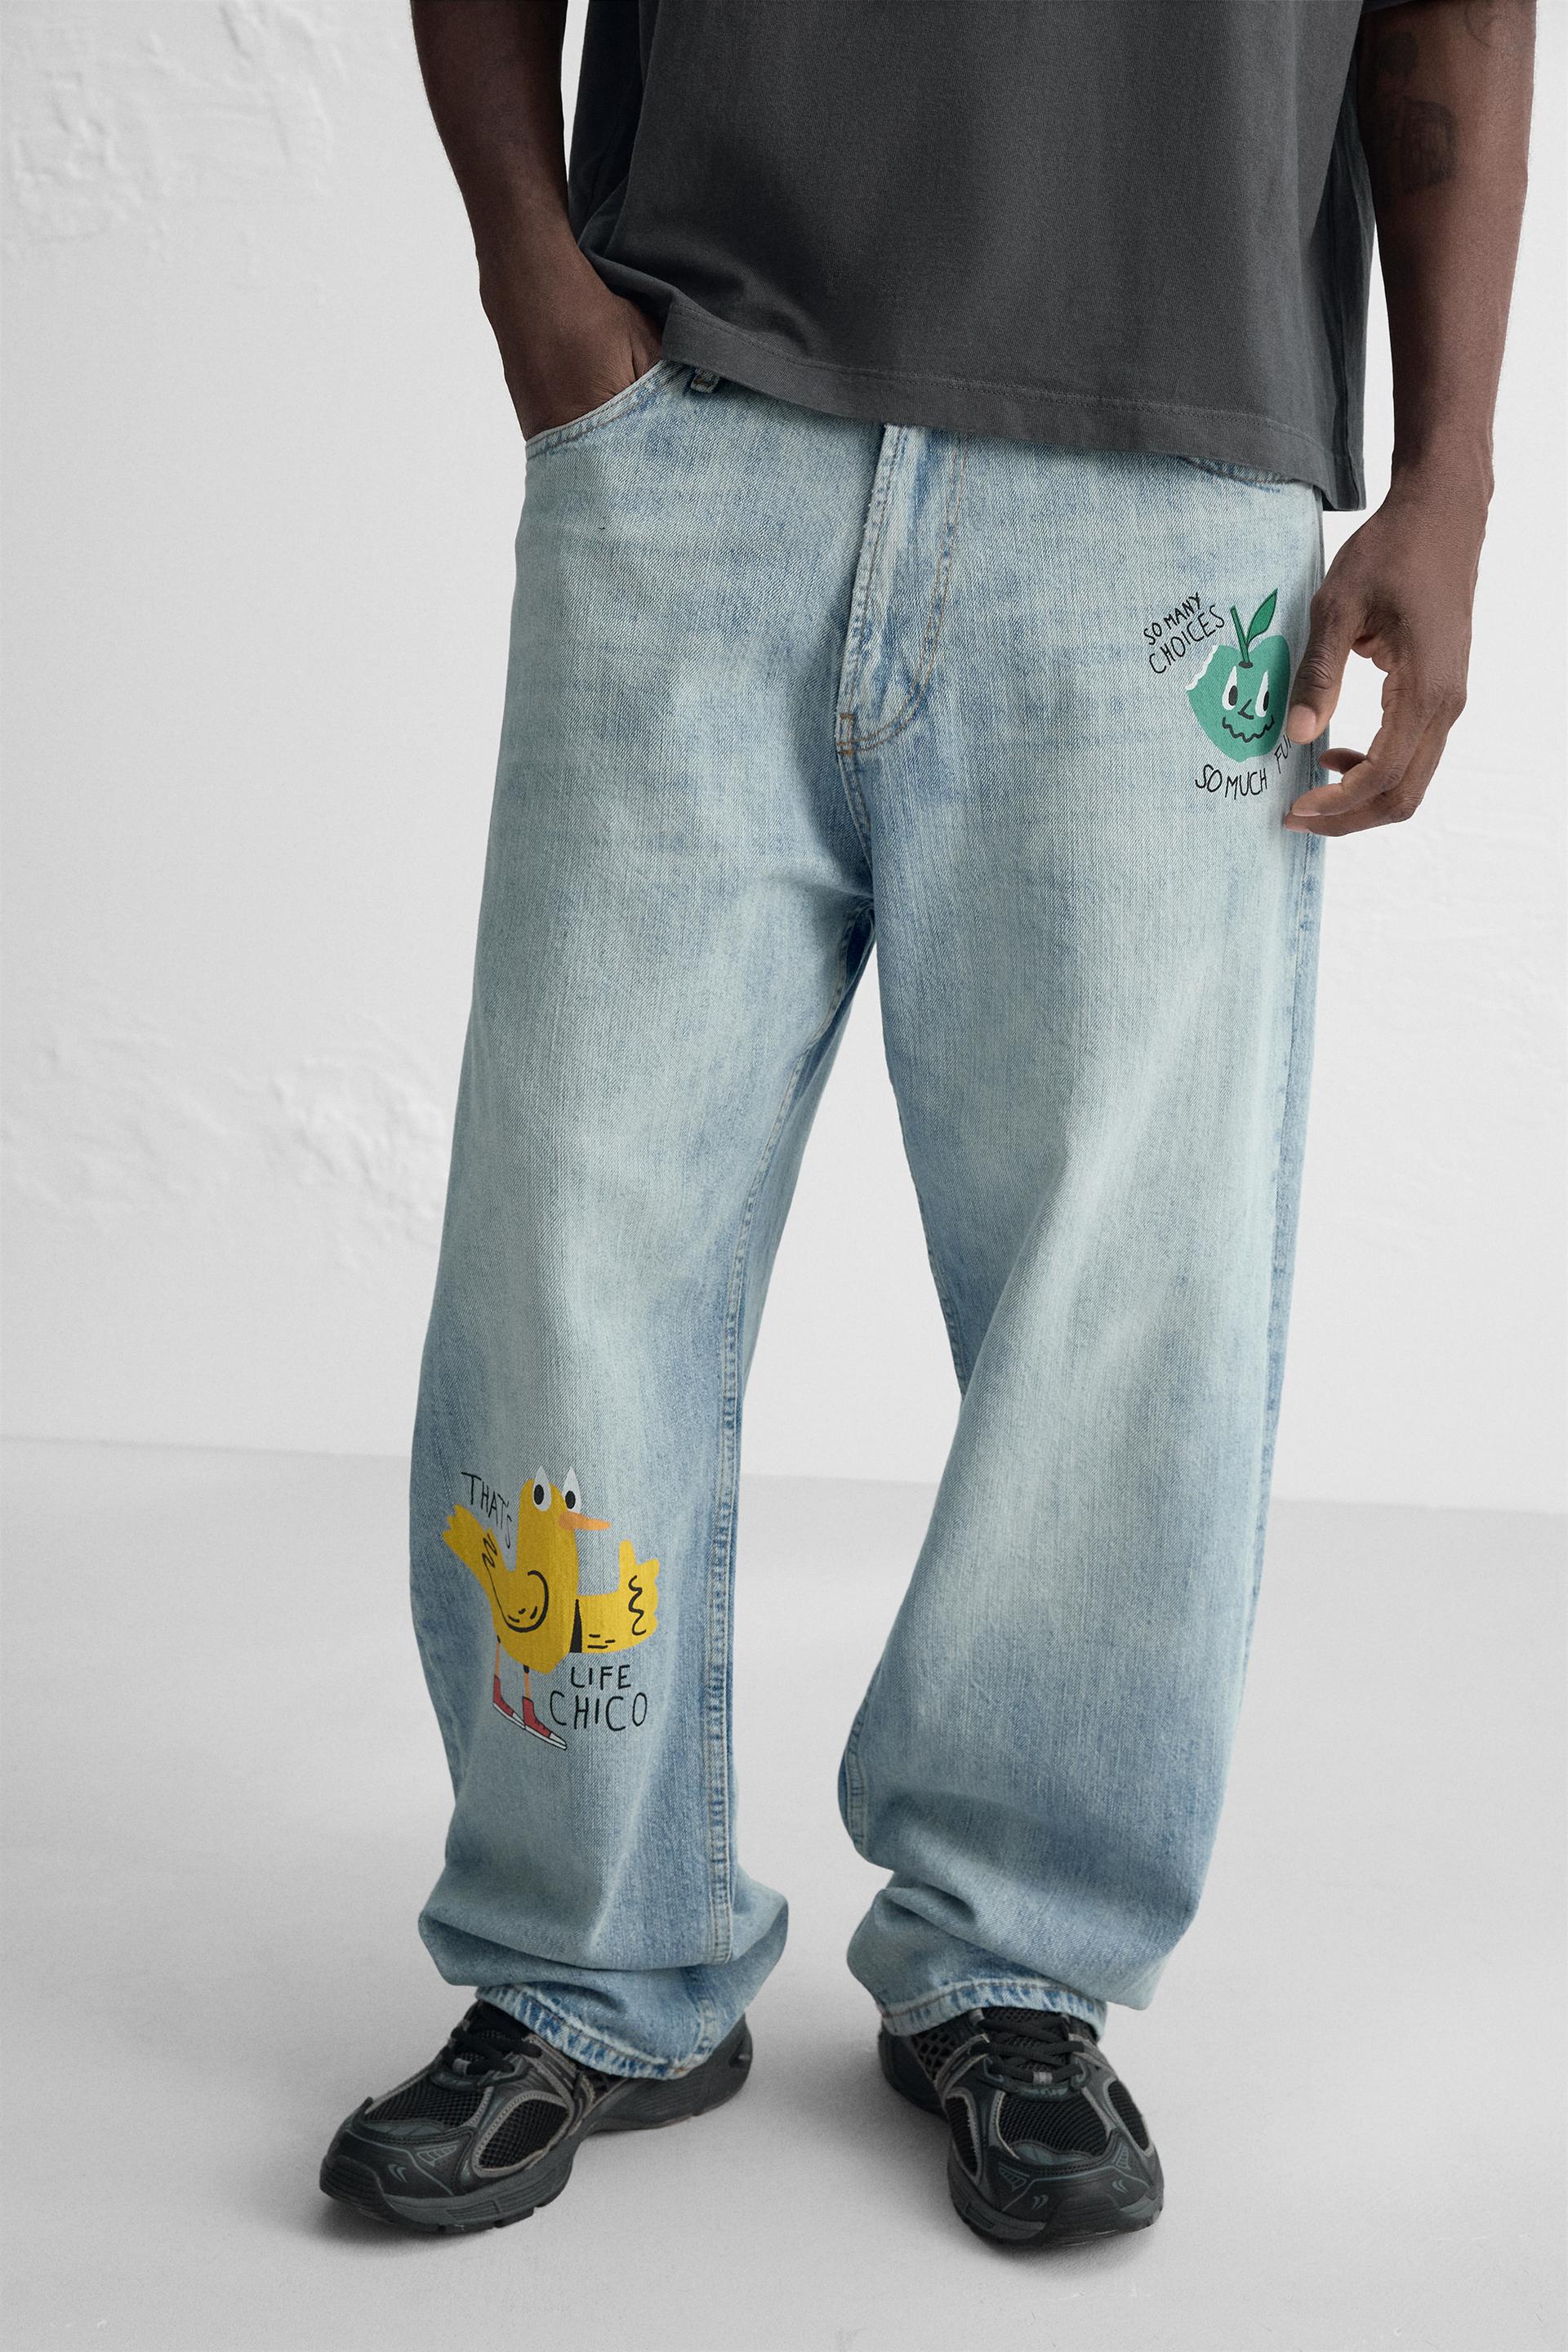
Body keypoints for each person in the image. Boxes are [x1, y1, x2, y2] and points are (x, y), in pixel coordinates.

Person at [320, 0, 1533, 2247]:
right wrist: (537, 297)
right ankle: (586, 1960)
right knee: (570, 1244)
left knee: (1124, 1291)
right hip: (701, 416)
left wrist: (1451, 473)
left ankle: (1020, 1964)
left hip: (1178, 495)